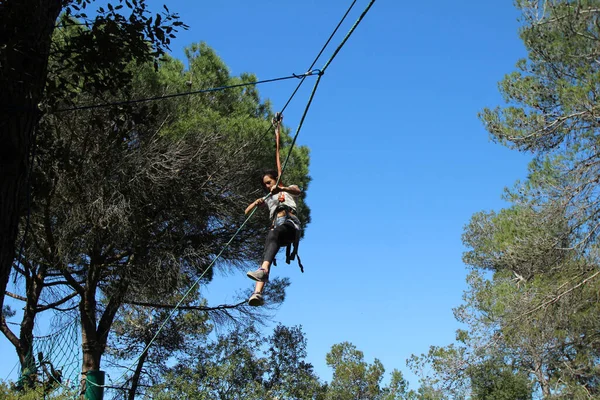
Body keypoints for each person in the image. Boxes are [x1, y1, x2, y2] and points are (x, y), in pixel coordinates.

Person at [244, 170, 302, 306]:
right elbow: (246, 212)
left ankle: (263, 272)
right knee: (266, 254)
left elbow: (297, 190)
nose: (268, 187)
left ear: (277, 179)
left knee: (275, 232)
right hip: (277, 229)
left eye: (269, 183)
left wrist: (281, 188)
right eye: (265, 185)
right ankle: (257, 293)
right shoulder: (268, 197)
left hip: (290, 225)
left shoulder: (286, 191)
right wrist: (255, 203)